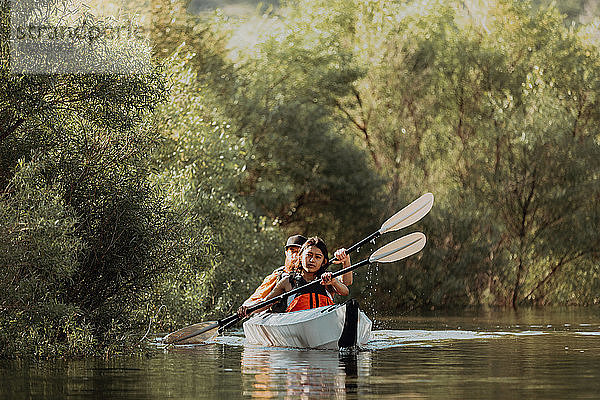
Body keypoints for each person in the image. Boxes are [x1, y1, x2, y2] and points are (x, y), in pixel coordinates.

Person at [239, 234, 352, 313]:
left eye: (317, 257)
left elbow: (345, 291)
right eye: (309, 255)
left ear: (324, 262)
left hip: (323, 320)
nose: (312, 260)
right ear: (301, 256)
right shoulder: (287, 281)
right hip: (297, 322)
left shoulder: (327, 279)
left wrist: (334, 281)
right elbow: (266, 302)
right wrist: (248, 310)